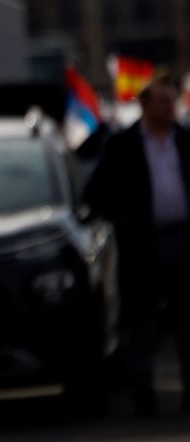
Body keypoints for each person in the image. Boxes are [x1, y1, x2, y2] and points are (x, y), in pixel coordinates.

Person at [85, 75, 190, 415]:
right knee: (141, 322)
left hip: (183, 242)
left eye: (172, 101)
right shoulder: (123, 146)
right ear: (145, 105)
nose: (169, 108)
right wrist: (126, 220)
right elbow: (95, 195)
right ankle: (143, 393)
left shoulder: (185, 141)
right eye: (162, 102)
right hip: (142, 247)